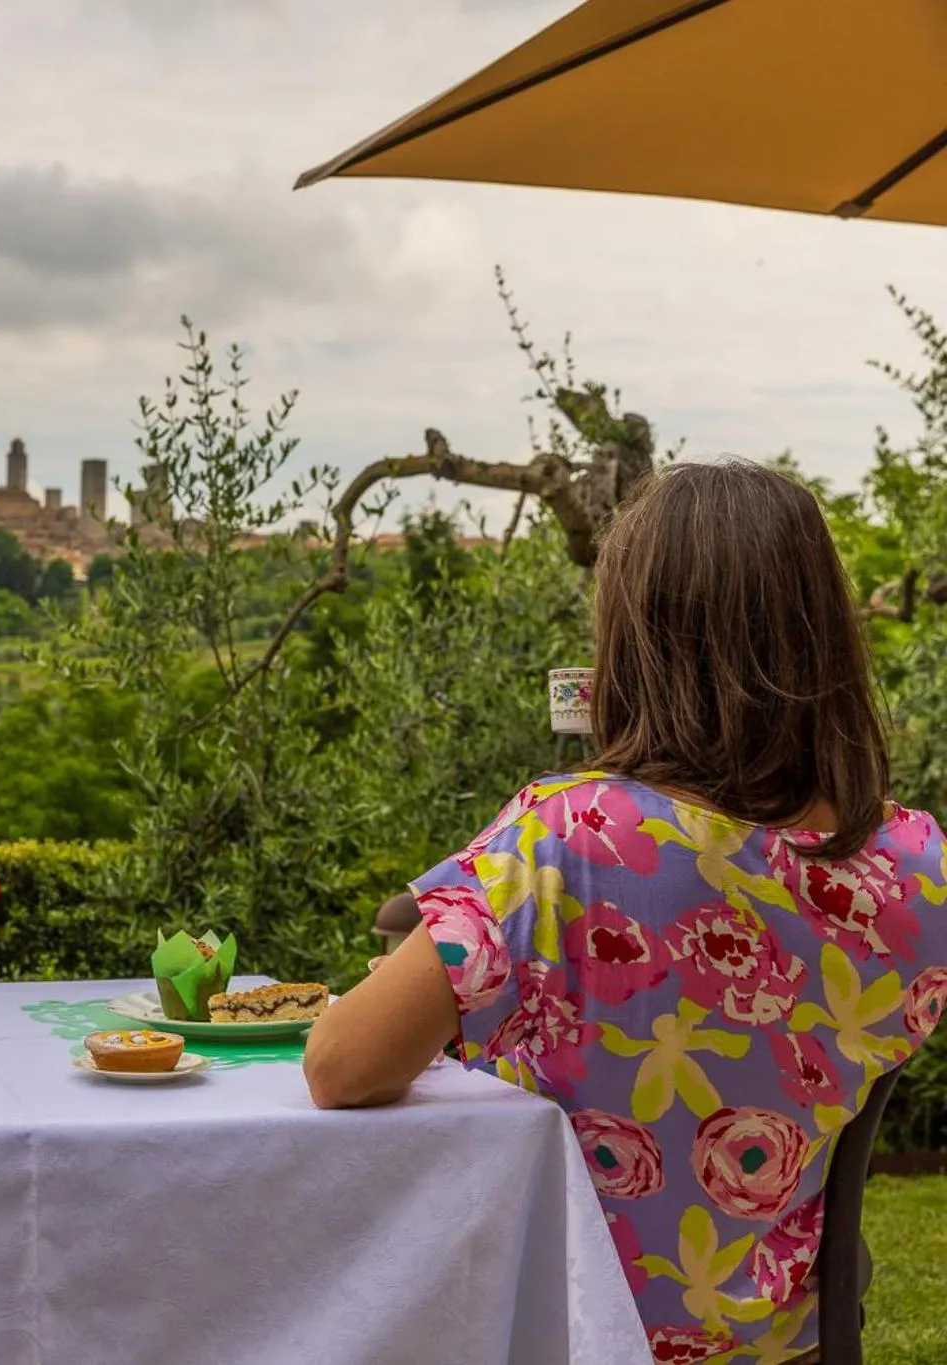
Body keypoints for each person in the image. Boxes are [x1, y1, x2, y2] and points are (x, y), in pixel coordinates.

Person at [304, 461, 947, 1365]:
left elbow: (341, 1065)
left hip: (567, 1335)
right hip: (780, 1346)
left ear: (639, 644)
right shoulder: (916, 870)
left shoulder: (573, 839)